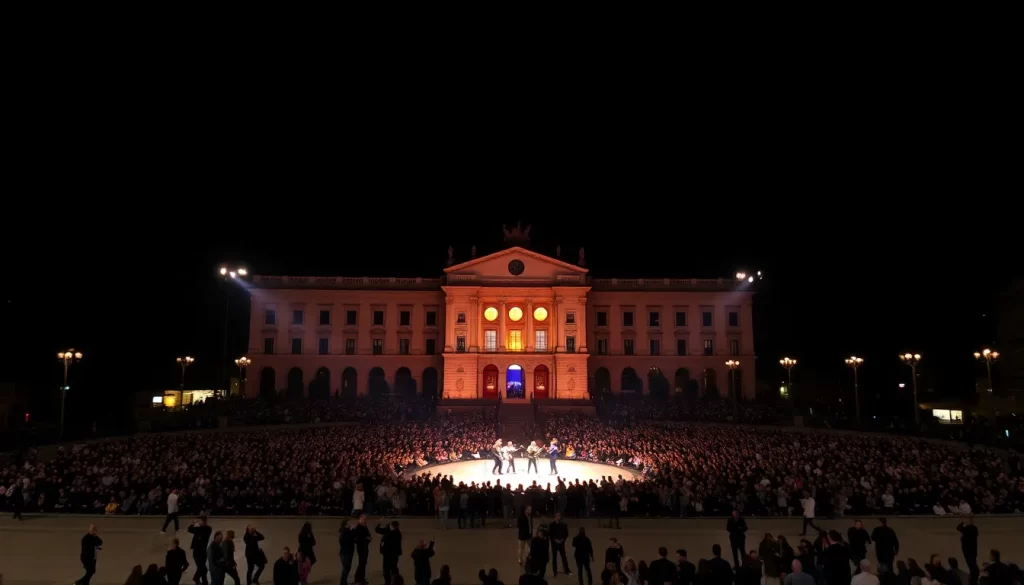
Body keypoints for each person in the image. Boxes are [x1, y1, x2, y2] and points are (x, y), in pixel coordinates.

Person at [376, 518, 403, 585]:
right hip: (394, 554)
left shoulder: (388, 532)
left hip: (387, 554)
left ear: (392, 526)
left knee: (386, 569)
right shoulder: (398, 533)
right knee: (394, 568)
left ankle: (387, 583)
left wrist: (379, 522)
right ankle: (396, 582)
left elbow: (377, 530)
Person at [188, 516, 213, 585]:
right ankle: (202, 581)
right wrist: (193, 523)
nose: (198, 522)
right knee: (202, 568)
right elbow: (189, 529)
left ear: (204, 521)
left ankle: (197, 578)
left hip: (203, 551)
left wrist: (196, 528)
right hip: (196, 551)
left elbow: (203, 533)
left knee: (202, 568)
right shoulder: (198, 529)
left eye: (199, 521)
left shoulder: (207, 529)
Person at [957, 517, 979, 585]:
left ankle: (973, 581)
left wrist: (963, 522)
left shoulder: (970, 529)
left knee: (973, 569)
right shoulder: (972, 529)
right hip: (971, 553)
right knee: (973, 568)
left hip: (969, 553)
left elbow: (959, 528)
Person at [354, 514, 373, 585]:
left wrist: (368, 539)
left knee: (363, 563)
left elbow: (369, 536)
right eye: (364, 519)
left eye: (365, 519)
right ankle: (358, 578)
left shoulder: (364, 526)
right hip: (361, 548)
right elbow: (358, 539)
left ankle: (362, 578)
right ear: (360, 519)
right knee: (362, 563)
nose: (365, 520)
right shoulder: (358, 527)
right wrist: (367, 539)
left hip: (365, 548)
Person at [339, 520, 355, 585]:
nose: (350, 524)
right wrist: (352, 531)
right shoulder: (344, 532)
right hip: (345, 553)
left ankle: (344, 582)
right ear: (345, 525)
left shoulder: (348, 531)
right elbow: (346, 541)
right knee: (346, 568)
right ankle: (342, 582)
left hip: (348, 552)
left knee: (347, 568)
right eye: (348, 523)